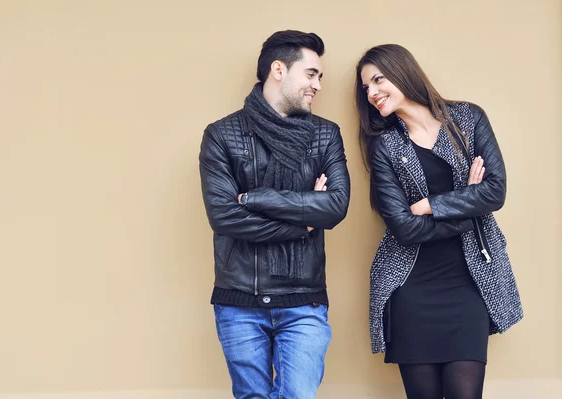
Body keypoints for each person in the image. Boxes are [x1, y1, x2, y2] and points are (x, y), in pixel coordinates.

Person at [355, 44, 523, 399]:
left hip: (470, 282)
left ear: (402, 72)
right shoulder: (385, 146)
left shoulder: (468, 119)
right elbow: (403, 228)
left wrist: (429, 204)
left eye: (377, 80)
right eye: (365, 87)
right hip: (411, 288)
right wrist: (468, 207)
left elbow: (495, 192)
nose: (371, 93)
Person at [199, 30, 350, 399]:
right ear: (278, 69)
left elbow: (335, 206)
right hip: (239, 299)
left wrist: (256, 198)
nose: (317, 84)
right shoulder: (222, 135)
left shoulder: (325, 135)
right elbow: (224, 217)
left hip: (303, 300)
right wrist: (304, 221)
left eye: (319, 77)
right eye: (311, 74)